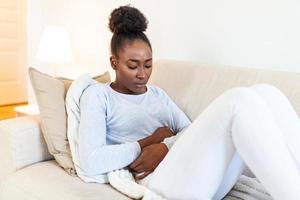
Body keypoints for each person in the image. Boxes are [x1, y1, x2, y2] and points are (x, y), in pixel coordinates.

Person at [78, 5, 300, 200]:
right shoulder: (98, 96)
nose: (142, 74)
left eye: (148, 65)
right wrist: (149, 141)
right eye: (133, 65)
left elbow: (188, 131)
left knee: (267, 92)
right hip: (153, 180)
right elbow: (91, 161)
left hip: (190, 174)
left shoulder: (157, 95)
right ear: (114, 62)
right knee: (238, 101)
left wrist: (165, 147)